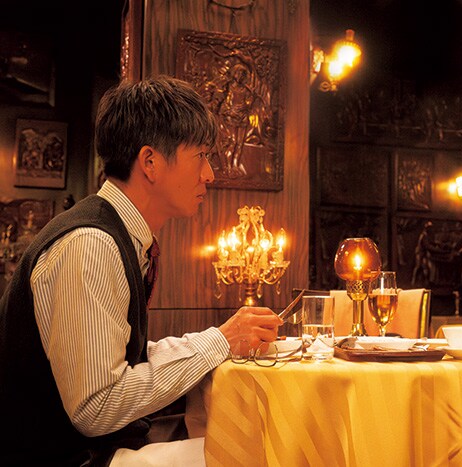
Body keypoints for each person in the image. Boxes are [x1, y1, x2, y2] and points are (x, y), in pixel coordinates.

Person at [0, 76, 283, 466]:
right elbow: (96, 406)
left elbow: (121, 357)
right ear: (150, 162)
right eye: (201, 156)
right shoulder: (91, 244)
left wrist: (222, 340)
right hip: (67, 457)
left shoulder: (119, 236)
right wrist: (219, 341)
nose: (209, 174)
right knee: (261, 455)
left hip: (95, 448)